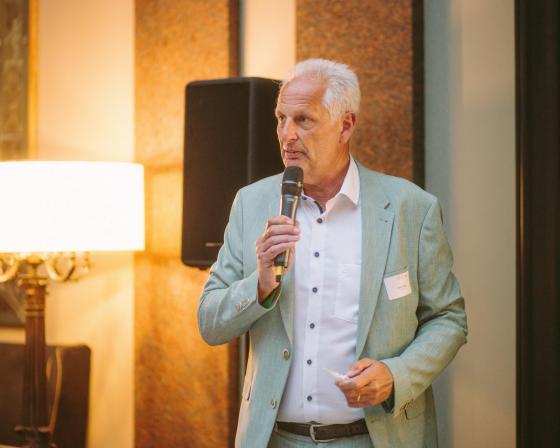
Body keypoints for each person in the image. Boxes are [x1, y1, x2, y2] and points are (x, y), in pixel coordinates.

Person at [198, 59, 467, 448]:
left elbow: (448, 319)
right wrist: (259, 285)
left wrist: (397, 374)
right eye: (281, 119)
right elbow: (210, 323)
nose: (287, 135)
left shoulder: (411, 207)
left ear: (346, 126)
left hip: (374, 439)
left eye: (304, 120)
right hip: (275, 439)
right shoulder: (251, 203)